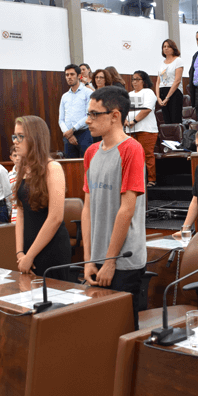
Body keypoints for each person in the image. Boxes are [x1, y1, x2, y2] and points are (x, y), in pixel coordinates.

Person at [83, 87, 148, 329]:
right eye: (87, 113)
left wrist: (110, 261)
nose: (88, 120)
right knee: (98, 332)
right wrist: (89, 259)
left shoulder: (132, 149)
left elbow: (126, 210)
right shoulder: (90, 153)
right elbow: (87, 208)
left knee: (122, 332)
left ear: (115, 116)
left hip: (122, 261)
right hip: (97, 259)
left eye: (94, 114)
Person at [13, 116, 71, 281]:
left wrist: (30, 255)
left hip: (51, 249)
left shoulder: (53, 168)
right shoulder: (23, 168)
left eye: (20, 136)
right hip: (28, 249)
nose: (15, 141)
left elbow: (55, 218)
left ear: (35, 138)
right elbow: (21, 212)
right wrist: (20, 253)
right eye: (14, 136)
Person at [124, 71, 159, 187]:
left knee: (147, 154)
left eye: (137, 79)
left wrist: (133, 121)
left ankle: (151, 179)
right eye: (133, 79)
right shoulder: (128, 94)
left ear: (144, 81)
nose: (134, 82)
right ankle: (136, 180)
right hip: (130, 130)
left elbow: (147, 109)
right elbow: (123, 110)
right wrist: (124, 120)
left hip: (146, 129)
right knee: (133, 156)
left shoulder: (148, 92)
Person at [58, 64, 93, 158]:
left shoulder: (88, 93)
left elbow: (89, 115)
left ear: (78, 76)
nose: (69, 77)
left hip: (84, 134)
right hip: (68, 137)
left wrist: (73, 130)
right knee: (70, 167)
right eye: (67, 75)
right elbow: (61, 120)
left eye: (72, 74)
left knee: (87, 165)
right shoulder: (64, 96)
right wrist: (68, 134)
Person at [155, 39, 184, 124]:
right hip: (162, 91)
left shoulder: (178, 60)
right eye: (164, 46)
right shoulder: (161, 63)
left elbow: (177, 80)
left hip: (174, 92)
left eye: (168, 46)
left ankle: (177, 137)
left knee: (175, 120)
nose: (166, 48)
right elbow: (158, 81)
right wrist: (158, 97)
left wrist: (167, 97)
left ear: (173, 48)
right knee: (166, 120)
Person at [8, 146, 19, 223]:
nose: (18, 158)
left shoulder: (29, 172)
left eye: (19, 155)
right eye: (15, 155)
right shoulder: (9, 175)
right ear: (11, 157)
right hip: (15, 212)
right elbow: (9, 195)